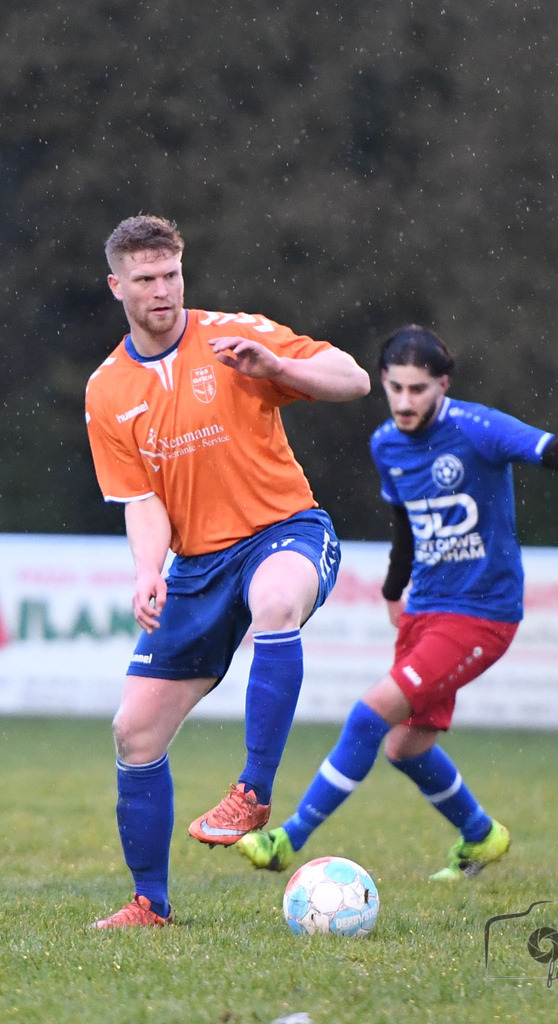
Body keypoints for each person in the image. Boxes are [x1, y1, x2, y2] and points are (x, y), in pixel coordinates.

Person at [237, 323, 558, 881]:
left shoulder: (479, 429)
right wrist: (391, 591)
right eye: (396, 388)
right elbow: (405, 524)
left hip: (483, 613)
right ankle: (481, 835)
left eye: (418, 390)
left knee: (368, 716)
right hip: (425, 607)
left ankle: (288, 839)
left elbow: (557, 454)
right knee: (406, 747)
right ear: (383, 382)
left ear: (442, 386)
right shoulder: (387, 444)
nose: (405, 402)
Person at [85, 214, 370, 928]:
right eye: (145, 279)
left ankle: (253, 791)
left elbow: (354, 378)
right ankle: (151, 902)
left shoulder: (234, 335)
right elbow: (142, 500)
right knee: (134, 731)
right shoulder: (108, 390)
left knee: (277, 600)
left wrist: (280, 370)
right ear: (117, 286)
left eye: (171, 274)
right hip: (197, 567)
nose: (162, 290)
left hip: (285, 531)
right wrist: (148, 570)